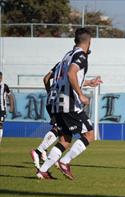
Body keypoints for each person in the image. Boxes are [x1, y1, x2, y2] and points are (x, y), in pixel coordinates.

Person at [36, 28, 102, 180]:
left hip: (57, 103)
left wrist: (88, 82)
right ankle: (65, 162)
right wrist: (81, 95)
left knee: (65, 139)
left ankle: (43, 171)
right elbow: (71, 74)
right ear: (89, 42)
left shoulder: (67, 55)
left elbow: (61, 77)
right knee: (90, 134)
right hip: (70, 104)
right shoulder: (81, 56)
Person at [31, 63, 102, 170]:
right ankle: (39, 151)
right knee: (65, 132)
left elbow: (46, 79)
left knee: (61, 131)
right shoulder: (72, 64)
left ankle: (45, 157)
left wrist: (50, 92)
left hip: (52, 101)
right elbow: (72, 79)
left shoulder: (59, 65)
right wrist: (87, 85)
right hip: (63, 102)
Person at [0, 72, 14, 144]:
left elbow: (10, 96)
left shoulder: (5, 86)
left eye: (0, 77)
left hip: (2, 109)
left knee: (0, 124)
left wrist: (11, 106)